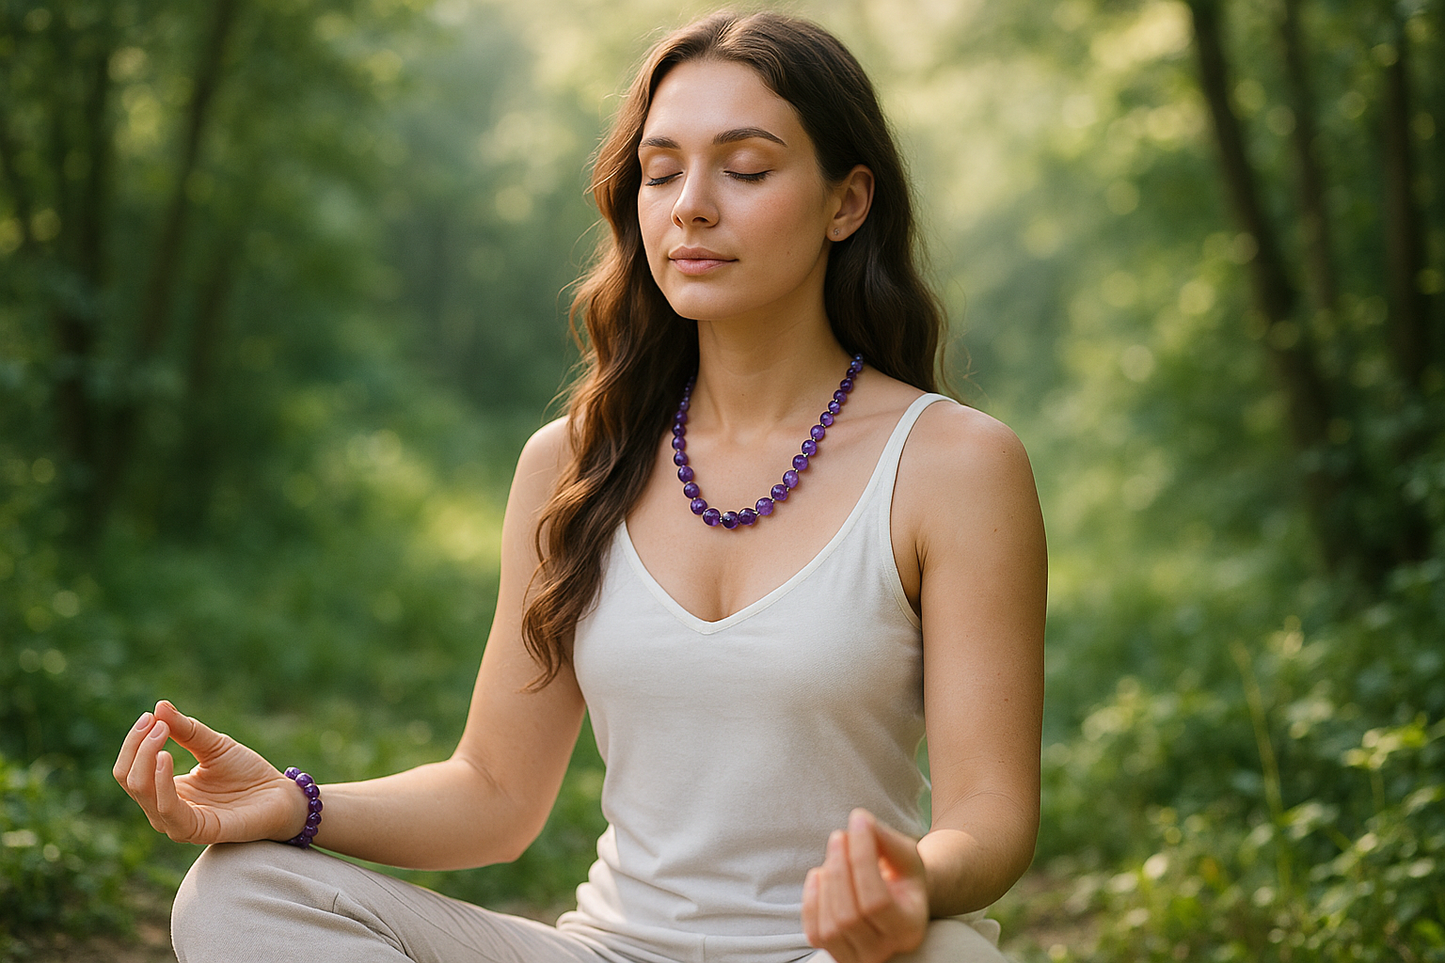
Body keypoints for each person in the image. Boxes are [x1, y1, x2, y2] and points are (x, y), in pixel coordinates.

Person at [113, 11, 1046, 963]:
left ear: (847, 202)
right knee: (240, 891)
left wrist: (909, 881)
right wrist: (294, 804)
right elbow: (494, 791)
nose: (690, 205)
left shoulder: (953, 463)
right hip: (610, 952)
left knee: (948, 957)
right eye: (661, 171)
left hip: (839, 956)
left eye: (745, 168)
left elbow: (989, 812)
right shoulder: (571, 463)